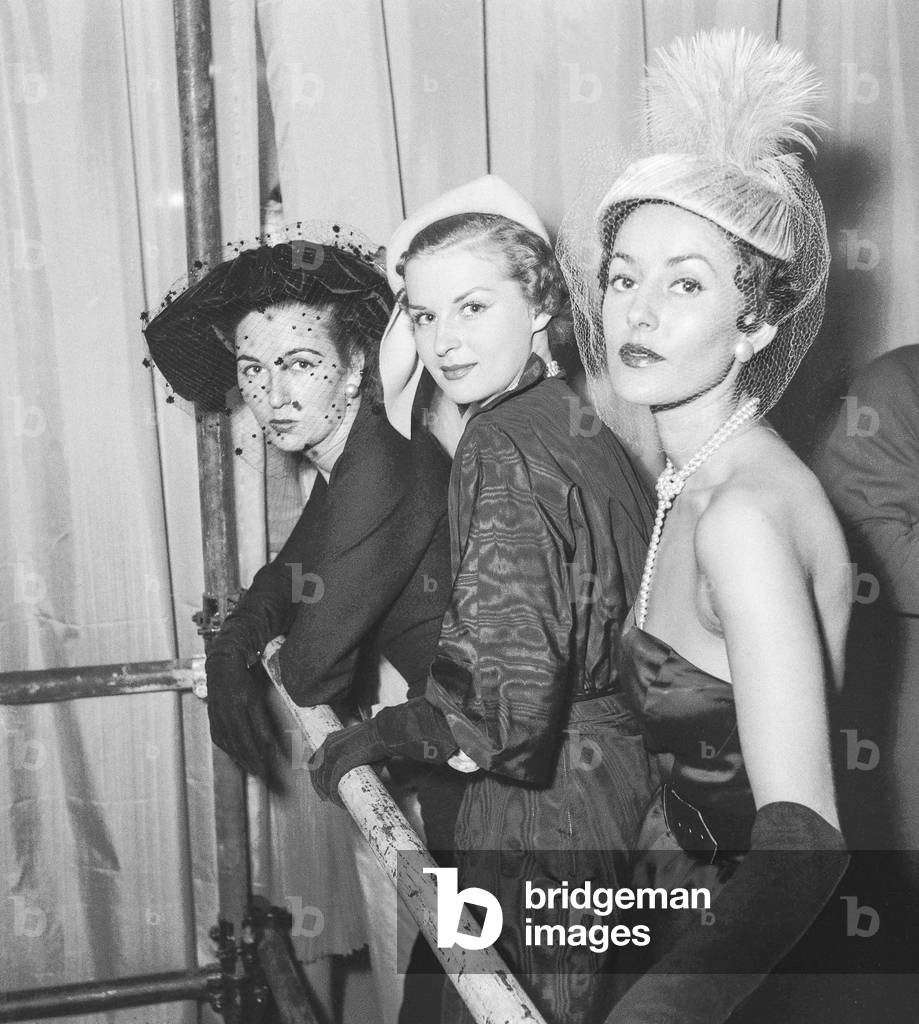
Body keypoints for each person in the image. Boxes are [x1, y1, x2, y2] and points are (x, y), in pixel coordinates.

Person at [311, 176, 658, 1024]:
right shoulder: (571, 420)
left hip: (547, 806)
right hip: (615, 774)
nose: (444, 341)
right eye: (424, 316)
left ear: (538, 304)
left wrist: (373, 735)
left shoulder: (500, 443)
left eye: (471, 308)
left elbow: (501, 707)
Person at [556, 29, 851, 1022]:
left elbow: (805, 843)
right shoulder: (689, 472)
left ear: (757, 321)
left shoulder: (741, 517)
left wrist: (660, 1009)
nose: (637, 311)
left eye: (685, 282)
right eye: (623, 275)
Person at [143, 227, 465, 1024]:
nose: (272, 397)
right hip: (468, 773)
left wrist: (258, 659)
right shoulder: (351, 457)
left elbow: (313, 670)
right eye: (253, 369)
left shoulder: (383, 466)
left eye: (298, 365)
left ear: (354, 367)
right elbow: (288, 574)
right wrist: (229, 648)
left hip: (529, 787)